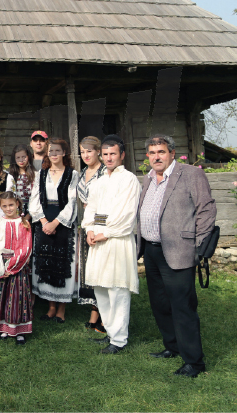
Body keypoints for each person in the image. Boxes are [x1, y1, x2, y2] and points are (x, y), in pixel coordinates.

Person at [138, 134, 216, 376]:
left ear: (172, 153)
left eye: (161, 151)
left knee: (182, 306)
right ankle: (172, 347)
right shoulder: (147, 180)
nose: (156, 157)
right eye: (152, 153)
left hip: (179, 250)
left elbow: (206, 209)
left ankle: (194, 362)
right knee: (160, 303)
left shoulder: (191, 174)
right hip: (151, 250)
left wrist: (197, 244)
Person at [82, 135, 141, 355]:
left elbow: (125, 215)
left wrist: (104, 232)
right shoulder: (99, 181)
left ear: (122, 155)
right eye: (105, 154)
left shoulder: (129, 180)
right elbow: (93, 209)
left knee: (117, 289)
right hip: (98, 239)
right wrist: (90, 229)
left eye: (113, 154)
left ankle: (119, 339)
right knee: (101, 288)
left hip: (116, 240)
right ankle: (109, 331)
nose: (108, 158)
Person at [29, 138, 79, 322]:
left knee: (63, 262)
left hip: (63, 222)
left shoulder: (72, 174)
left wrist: (55, 223)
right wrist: (43, 222)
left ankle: (61, 309)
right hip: (43, 220)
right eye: (51, 151)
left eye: (58, 150)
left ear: (64, 153)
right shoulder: (41, 174)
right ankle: (50, 307)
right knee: (46, 262)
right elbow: (34, 200)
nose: (54, 154)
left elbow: (72, 201)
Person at [0, 192, 33, 344]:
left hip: (18, 266)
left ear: (17, 204)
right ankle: (3, 329)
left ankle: (18, 330)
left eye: (11, 205)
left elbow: (26, 248)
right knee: (2, 298)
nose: (8, 208)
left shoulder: (23, 223)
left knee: (17, 298)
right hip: (1, 265)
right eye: (4, 206)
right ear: (0, 207)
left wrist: (11, 267)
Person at [76, 136, 106, 333]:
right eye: (83, 151)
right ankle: (95, 313)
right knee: (91, 272)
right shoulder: (83, 173)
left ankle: (104, 317)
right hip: (86, 225)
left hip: (102, 225)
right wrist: (87, 228)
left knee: (103, 272)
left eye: (89, 151)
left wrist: (99, 229)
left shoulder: (105, 173)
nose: (86, 155)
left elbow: (106, 204)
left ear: (98, 152)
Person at [8, 144, 35, 216]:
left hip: (32, 211)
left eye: (24, 157)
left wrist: (28, 216)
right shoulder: (10, 176)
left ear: (28, 157)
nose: (21, 160)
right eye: (18, 157)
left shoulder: (35, 175)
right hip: (14, 211)